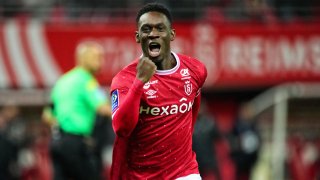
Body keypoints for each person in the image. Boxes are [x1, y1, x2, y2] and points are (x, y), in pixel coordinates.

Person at [109, 3, 207, 179]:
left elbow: (192, 112)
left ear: (172, 34)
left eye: (160, 28)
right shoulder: (124, 79)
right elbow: (122, 128)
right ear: (138, 37)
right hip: (141, 175)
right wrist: (139, 83)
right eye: (146, 29)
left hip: (184, 172)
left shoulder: (195, 70)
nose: (153, 34)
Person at [49, 41, 111, 180]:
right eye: (97, 57)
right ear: (84, 58)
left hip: (56, 142)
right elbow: (104, 109)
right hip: (75, 144)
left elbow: (48, 116)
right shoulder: (87, 81)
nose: (101, 61)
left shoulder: (62, 81)